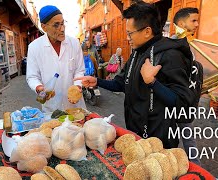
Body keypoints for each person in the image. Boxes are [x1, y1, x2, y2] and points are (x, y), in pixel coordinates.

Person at [75, 2, 197, 148]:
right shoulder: (137, 53)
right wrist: (97, 81)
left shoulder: (170, 55)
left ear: (147, 31)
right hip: (136, 133)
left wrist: (152, 82)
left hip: (160, 142)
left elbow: (183, 103)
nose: (127, 38)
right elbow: (121, 83)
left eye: (130, 33)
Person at [26, 5, 86, 113]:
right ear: (44, 27)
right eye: (56, 25)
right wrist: (39, 87)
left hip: (75, 107)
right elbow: (32, 76)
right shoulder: (34, 47)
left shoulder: (74, 43)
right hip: (51, 108)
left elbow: (79, 71)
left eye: (63, 23)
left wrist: (77, 87)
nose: (62, 29)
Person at [172, 7, 201, 166]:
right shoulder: (172, 45)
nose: (197, 24)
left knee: (188, 136)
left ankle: (196, 169)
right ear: (182, 23)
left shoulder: (189, 44)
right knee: (177, 137)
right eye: (193, 20)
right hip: (174, 100)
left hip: (185, 100)